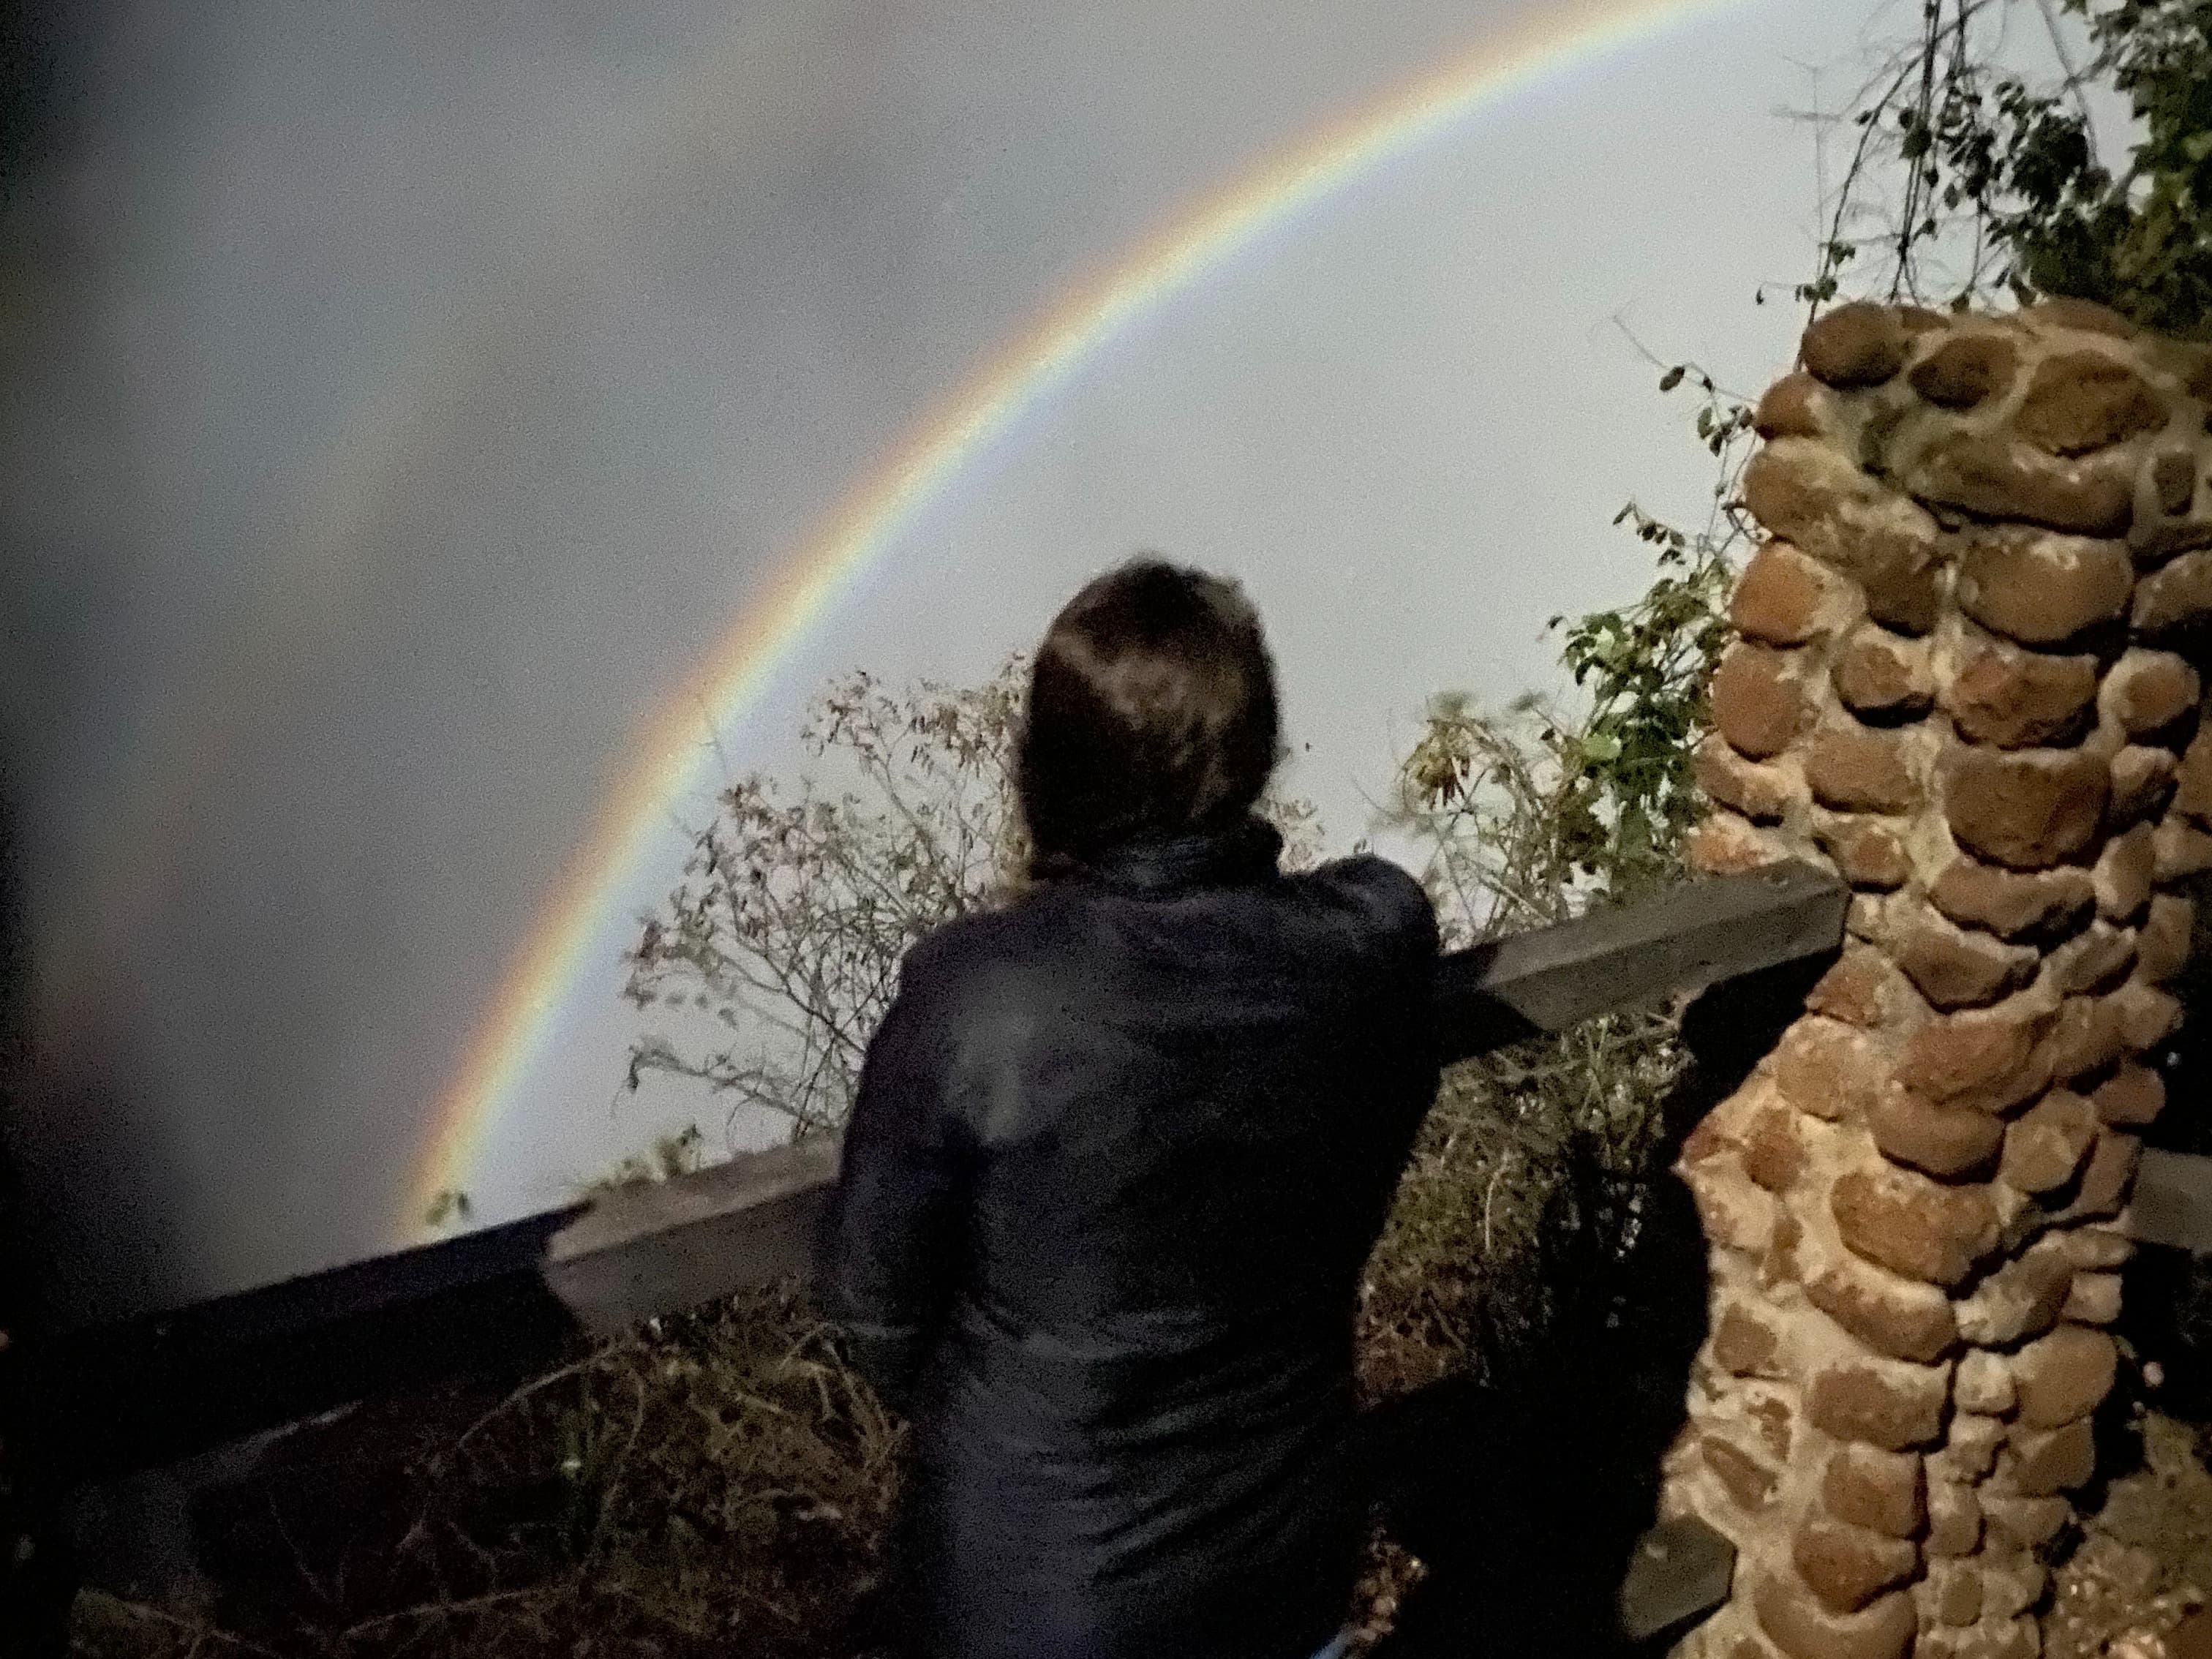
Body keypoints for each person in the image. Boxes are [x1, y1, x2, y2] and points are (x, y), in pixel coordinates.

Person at [813, 557, 1442, 1659]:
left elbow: (872, 1314)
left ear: (1044, 770)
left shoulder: (980, 994)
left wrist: (1027, 1415)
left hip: (1036, 1594)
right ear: (1251, 757)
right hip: (1284, 1561)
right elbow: (1385, 895)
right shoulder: (1363, 946)